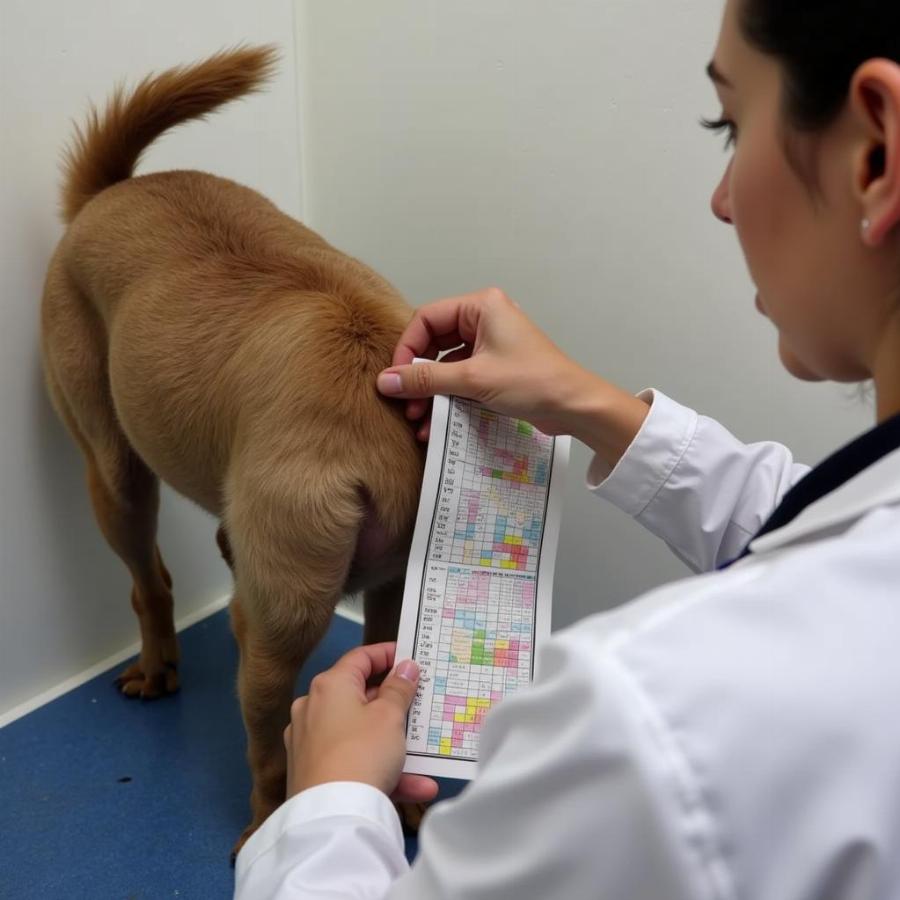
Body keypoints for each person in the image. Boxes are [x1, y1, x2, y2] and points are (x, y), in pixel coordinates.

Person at [235, 0, 900, 896]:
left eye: (729, 123)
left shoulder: (650, 722)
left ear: (877, 155)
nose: (720, 198)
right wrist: (589, 404)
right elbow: (815, 523)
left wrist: (329, 805)